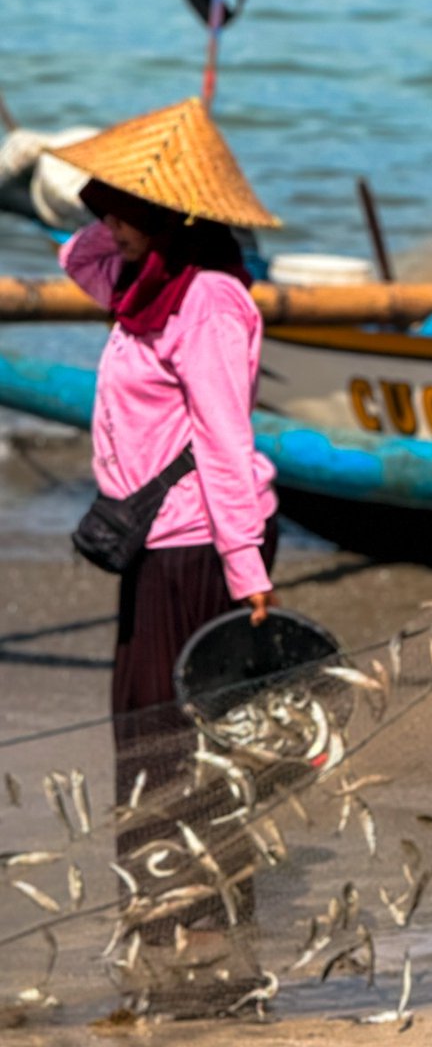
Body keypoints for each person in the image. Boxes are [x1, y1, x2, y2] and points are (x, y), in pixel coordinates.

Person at [49, 97, 282, 947]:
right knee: (146, 733)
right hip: (157, 544)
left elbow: (226, 443)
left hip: (202, 550)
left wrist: (248, 571)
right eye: (105, 203)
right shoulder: (144, 285)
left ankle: (201, 915)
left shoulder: (210, 302)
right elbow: (77, 253)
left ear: (174, 217)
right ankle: (163, 907)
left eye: (127, 208)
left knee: (183, 740)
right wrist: (118, 197)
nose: (107, 221)